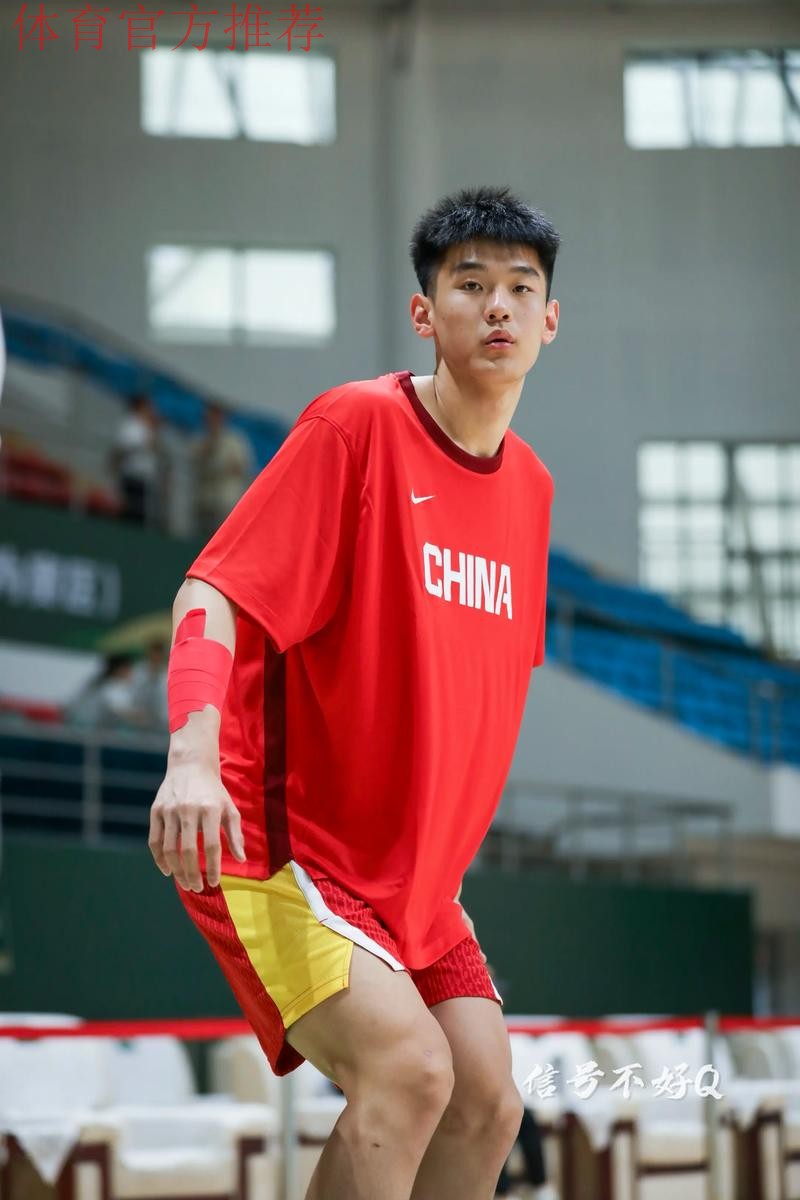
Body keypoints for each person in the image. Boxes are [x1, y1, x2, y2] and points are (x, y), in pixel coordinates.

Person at [148, 185, 559, 1200]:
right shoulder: (356, 426)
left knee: (486, 1103)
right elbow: (211, 592)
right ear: (424, 312)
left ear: (549, 321)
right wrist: (190, 758)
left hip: (412, 884)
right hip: (275, 840)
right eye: (469, 284)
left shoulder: (531, 490)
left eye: (520, 288)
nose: (497, 306)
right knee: (409, 1073)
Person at [192, 402, 255, 537]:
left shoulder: (235, 440)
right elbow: (194, 463)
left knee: (226, 535)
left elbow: (243, 467)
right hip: (205, 499)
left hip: (227, 499)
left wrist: (225, 467)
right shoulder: (200, 440)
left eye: (215, 416)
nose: (212, 420)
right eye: (209, 417)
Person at [110, 393, 160, 524]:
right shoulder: (131, 425)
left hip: (143, 478)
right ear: (140, 407)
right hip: (132, 476)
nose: (151, 410)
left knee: (140, 514)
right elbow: (125, 446)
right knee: (130, 513)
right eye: (148, 407)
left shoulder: (146, 427)